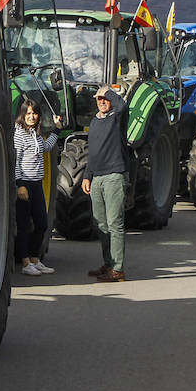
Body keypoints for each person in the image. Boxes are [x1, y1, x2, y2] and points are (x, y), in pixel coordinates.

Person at [81, 86, 129, 283]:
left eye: (105, 98)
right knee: (100, 223)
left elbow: (123, 106)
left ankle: (117, 268)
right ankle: (108, 263)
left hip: (114, 176)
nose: (102, 101)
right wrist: (87, 175)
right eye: (99, 98)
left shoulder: (116, 119)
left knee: (114, 222)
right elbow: (92, 152)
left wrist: (109, 91)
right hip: (97, 177)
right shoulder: (94, 122)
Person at [13, 100, 60, 276]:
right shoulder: (19, 134)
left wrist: (57, 129)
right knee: (24, 225)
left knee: (42, 223)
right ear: (22, 115)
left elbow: (45, 148)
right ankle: (26, 263)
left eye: (34, 113)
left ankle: (35, 259)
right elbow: (15, 161)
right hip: (25, 185)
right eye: (28, 114)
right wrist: (19, 185)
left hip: (37, 183)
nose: (31, 117)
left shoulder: (35, 133)